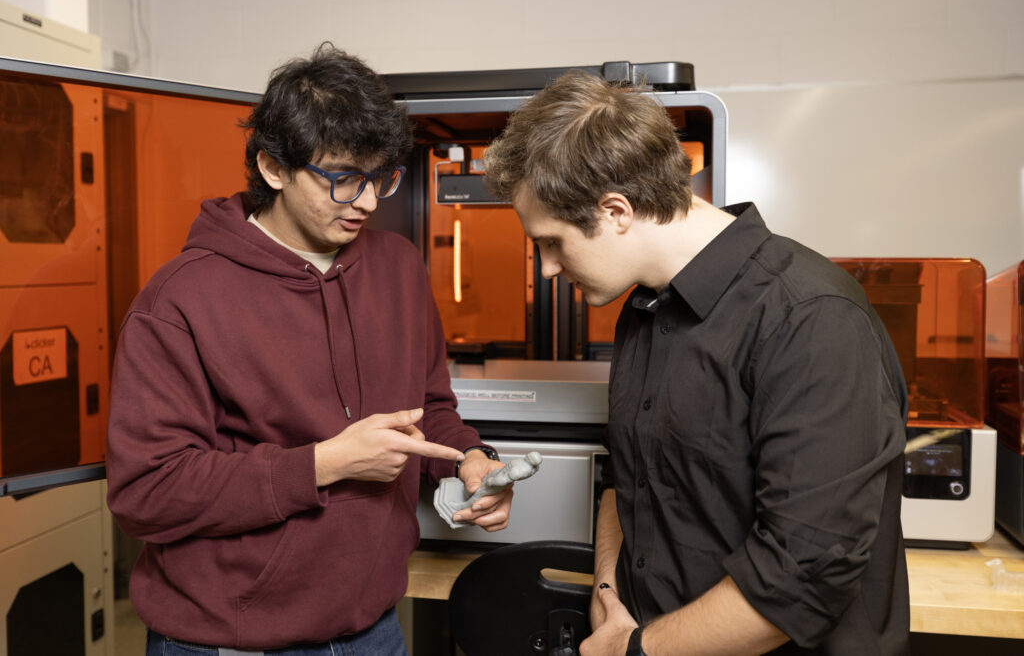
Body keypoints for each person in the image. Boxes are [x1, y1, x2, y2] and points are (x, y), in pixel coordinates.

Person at [105, 42, 513, 655]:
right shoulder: (181, 299)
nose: (370, 202)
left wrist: (468, 459)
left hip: (376, 627)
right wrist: (324, 464)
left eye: (381, 178)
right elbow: (147, 492)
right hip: (232, 640)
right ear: (273, 168)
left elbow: (427, 408)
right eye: (345, 180)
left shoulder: (399, 267)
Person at [483, 71, 909, 655]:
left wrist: (633, 650)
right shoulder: (644, 307)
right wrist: (609, 596)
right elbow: (624, 481)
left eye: (552, 242)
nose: (550, 268)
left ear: (615, 211)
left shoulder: (810, 317)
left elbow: (800, 575)